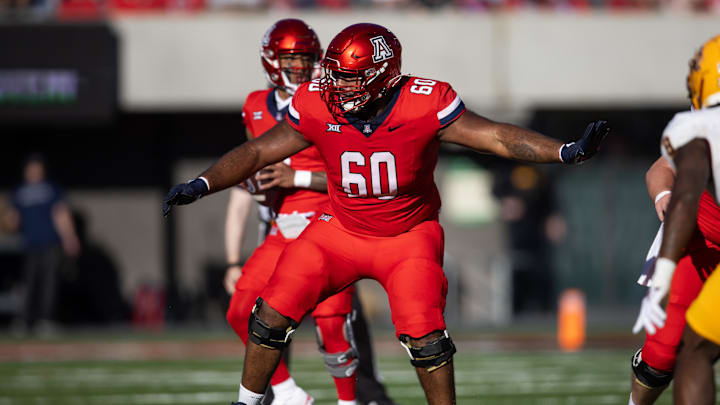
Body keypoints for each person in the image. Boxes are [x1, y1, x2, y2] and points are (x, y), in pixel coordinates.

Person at [163, 23, 608, 405]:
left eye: (350, 78)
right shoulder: (318, 101)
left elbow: (494, 136)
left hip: (407, 236)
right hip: (340, 229)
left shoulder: (424, 101)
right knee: (269, 313)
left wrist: (564, 151)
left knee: (426, 337)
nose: (337, 85)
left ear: (381, 75)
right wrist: (203, 183)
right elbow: (259, 149)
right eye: (334, 74)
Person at [223, 19, 394, 405]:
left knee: (333, 326)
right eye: (291, 58)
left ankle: (348, 401)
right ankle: (286, 393)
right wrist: (255, 182)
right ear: (271, 60)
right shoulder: (254, 106)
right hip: (281, 230)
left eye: (305, 58)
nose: (300, 67)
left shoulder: (332, 100)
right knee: (240, 310)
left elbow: (351, 174)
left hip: (328, 227)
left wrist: (294, 177)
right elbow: (257, 164)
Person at [630, 34, 720, 405]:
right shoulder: (700, 127)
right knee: (663, 354)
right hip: (702, 236)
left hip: (695, 222)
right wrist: (665, 196)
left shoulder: (696, 125)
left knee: (693, 349)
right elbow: (662, 174)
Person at [628, 156, 720, 405]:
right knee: (662, 355)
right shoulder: (708, 126)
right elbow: (662, 167)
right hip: (704, 242)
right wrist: (663, 195)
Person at [4, 154, 80, 334]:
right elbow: (12, 220)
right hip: (29, 244)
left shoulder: (51, 189)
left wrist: (70, 237)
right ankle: (23, 321)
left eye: (37, 167)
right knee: (28, 283)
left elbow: (60, 214)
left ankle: (45, 320)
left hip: (50, 242)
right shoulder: (19, 191)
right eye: (31, 167)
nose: (34, 171)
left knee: (49, 283)